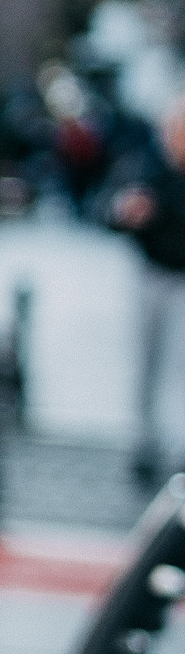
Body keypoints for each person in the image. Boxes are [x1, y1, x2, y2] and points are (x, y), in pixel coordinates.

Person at [111, 97, 185, 483]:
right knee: (149, 359)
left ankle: (177, 444)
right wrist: (129, 213)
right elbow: (116, 210)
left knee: (178, 362)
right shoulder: (147, 166)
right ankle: (144, 441)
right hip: (153, 270)